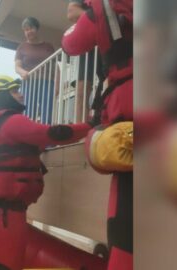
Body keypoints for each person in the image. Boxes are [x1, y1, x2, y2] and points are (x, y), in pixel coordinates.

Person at [0, 75, 91, 270]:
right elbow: (52, 134)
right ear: (2, 95)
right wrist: (91, 126)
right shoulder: (9, 121)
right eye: (14, 91)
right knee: (9, 265)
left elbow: (16, 148)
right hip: (5, 213)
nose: (21, 94)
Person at [62, 1, 133, 270]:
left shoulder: (104, 9)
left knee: (126, 231)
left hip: (131, 110)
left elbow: (70, 44)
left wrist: (85, 15)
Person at [66, 0, 105, 123]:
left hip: (103, 41)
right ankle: (81, 128)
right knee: (81, 92)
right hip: (87, 44)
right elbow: (71, 16)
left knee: (107, 80)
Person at [15, 17, 55, 124]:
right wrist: (23, 72)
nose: (28, 32)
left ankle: (46, 135)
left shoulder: (48, 46)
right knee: (28, 111)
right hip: (29, 82)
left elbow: (55, 66)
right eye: (25, 30)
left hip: (47, 82)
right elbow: (17, 67)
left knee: (47, 111)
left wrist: (58, 83)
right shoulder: (22, 47)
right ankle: (28, 136)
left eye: (30, 28)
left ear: (37, 29)